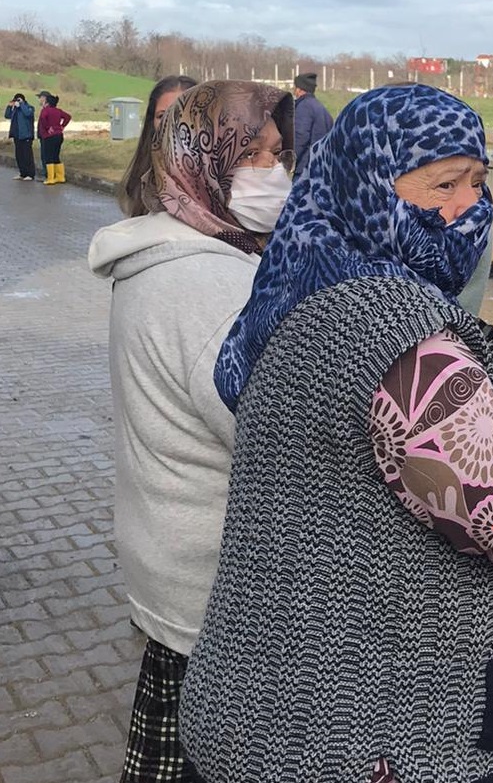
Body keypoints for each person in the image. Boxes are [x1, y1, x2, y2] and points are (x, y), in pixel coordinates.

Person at [179, 84, 493, 783]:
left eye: (478, 181)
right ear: (370, 183)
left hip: (265, 697)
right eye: (442, 184)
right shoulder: (395, 329)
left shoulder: (297, 279)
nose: (469, 207)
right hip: (382, 727)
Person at [87, 80, 294, 783]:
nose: (274, 173)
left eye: (278, 154)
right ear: (201, 158)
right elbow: (274, 439)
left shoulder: (167, 252)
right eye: (253, 155)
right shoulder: (209, 285)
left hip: (173, 563)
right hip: (215, 591)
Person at [117, 75, 198, 216]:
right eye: (162, 116)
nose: (171, 123)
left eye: (182, 114)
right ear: (152, 121)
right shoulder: (140, 181)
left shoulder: (226, 183)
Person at [292, 71, 333, 178]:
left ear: (299, 89)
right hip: (321, 165)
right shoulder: (321, 108)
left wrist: (290, 160)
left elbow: (300, 137)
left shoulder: (304, 107)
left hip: (305, 167)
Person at [37, 90, 71, 185]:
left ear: (47, 103)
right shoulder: (58, 111)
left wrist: (48, 127)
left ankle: (50, 178)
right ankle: (60, 177)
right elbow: (68, 117)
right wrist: (62, 126)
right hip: (59, 135)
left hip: (49, 136)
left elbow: (43, 118)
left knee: (48, 157)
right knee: (56, 156)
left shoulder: (45, 110)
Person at [5, 93, 36, 180]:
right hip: (17, 135)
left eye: (18, 100)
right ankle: (23, 173)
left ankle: (30, 174)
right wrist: (9, 106)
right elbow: (7, 115)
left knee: (27, 155)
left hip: (26, 135)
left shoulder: (29, 107)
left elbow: (28, 114)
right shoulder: (15, 109)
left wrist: (22, 104)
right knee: (19, 156)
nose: (17, 102)